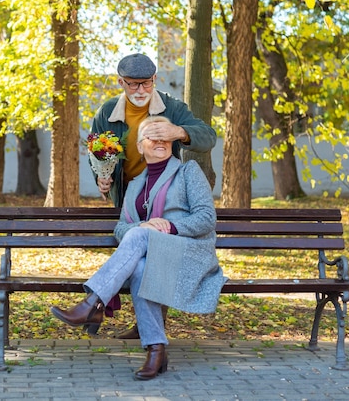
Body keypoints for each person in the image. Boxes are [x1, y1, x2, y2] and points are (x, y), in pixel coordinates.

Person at [52, 116, 226, 381]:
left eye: (164, 136)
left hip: (187, 253)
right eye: (152, 136)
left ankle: (92, 302)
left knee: (139, 236)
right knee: (141, 266)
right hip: (154, 256)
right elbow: (121, 228)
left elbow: (206, 218)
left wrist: (167, 226)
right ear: (140, 146)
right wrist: (145, 227)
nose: (160, 141)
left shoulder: (188, 171)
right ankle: (156, 349)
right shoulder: (134, 186)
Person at [90, 52, 218, 339]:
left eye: (146, 84)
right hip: (131, 193)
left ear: (154, 80)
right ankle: (143, 328)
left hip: (166, 192)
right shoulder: (107, 112)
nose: (140, 91)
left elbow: (208, 135)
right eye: (133, 84)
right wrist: (101, 177)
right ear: (121, 82)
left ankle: (94, 302)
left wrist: (180, 131)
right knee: (141, 259)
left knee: (148, 254)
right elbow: (96, 152)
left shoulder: (171, 107)